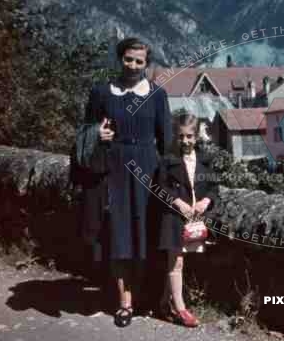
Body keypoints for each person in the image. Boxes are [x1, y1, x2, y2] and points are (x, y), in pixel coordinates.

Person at [80, 37, 172, 327]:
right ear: (120, 58)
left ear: (147, 64)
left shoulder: (157, 96)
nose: (132, 66)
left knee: (145, 233)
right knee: (118, 234)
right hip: (113, 169)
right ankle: (124, 303)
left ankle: (144, 295)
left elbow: (167, 143)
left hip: (147, 169)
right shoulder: (101, 92)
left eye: (139, 61)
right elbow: (85, 130)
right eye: (128, 59)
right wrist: (98, 134)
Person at [156, 113, 218, 327]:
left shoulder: (205, 159)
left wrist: (206, 201)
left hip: (194, 219)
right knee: (177, 262)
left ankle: (164, 302)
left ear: (197, 136)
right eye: (181, 136)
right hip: (173, 216)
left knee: (178, 262)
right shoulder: (167, 159)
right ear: (176, 135)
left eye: (190, 136)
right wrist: (177, 203)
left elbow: (213, 187)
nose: (185, 141)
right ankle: (181, 310)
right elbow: (159, 188)